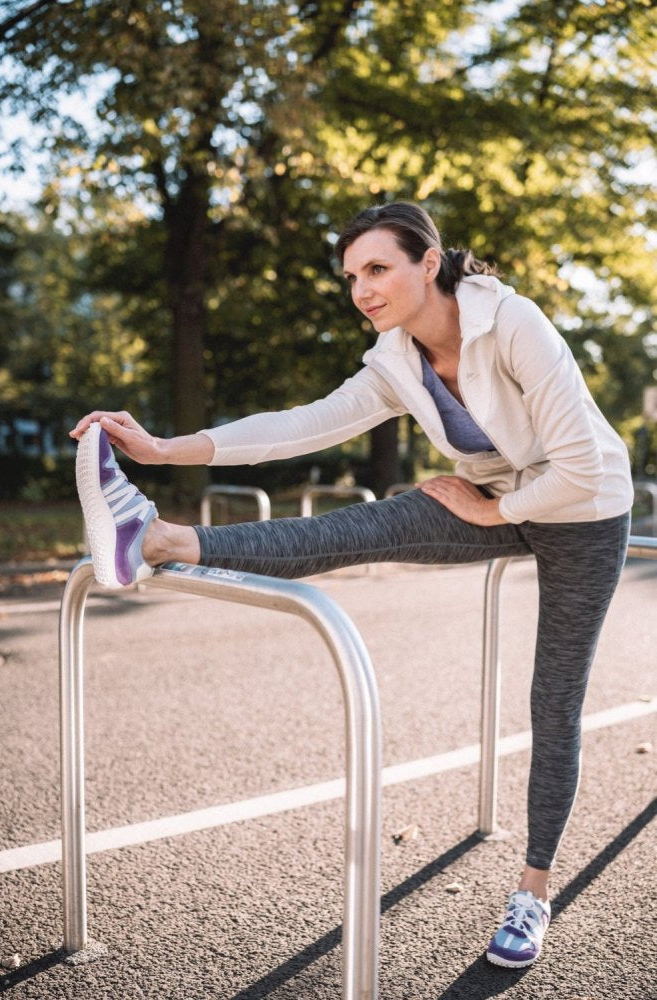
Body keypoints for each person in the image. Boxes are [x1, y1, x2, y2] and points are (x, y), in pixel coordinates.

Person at [71, 202, 633, 969]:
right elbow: (302, 425)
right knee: (355, 529)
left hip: (581, 510)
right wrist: (163, 449)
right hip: (490, 498)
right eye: (350, 276)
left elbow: (578, 469)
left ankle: (533, 891)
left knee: (553, 699)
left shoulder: (513, 324)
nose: (361, 289)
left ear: (426, 264)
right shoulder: (395, 357)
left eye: (377, 269)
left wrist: (496, 505)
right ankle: (159, 536)